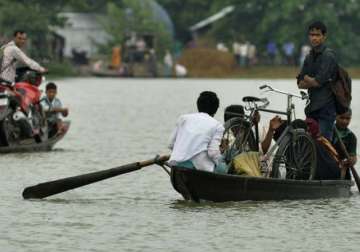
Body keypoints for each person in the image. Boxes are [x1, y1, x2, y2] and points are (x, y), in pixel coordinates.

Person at [297, 21, 338, 141]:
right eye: (311, 34)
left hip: (326, 108)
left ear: (324, 37)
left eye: (318, 35)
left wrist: (307, 78)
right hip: (311, 107)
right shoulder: (309, 56)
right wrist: (310, 80)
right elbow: (299, 84)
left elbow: (317, 82)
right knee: (309, 144)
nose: (314, 38)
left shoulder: (328, 56)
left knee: (323, 145)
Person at [168, 91, 227, 174]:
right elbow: (213, 153)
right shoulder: (217, 126)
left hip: (177, 166)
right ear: (216, 109)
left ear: (198, 105)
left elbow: (170, 144)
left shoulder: (183, 118)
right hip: (199, 169)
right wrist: (222, 161)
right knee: (223, 168)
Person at [332, 109, 357, 179]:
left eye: (347, 118)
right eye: (341, 117)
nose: (344, 121)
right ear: (335, 116)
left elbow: (353, 156)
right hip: (326, 165)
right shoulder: (328, 130)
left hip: (342, 171)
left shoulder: (351, 137)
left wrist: (352, 160)